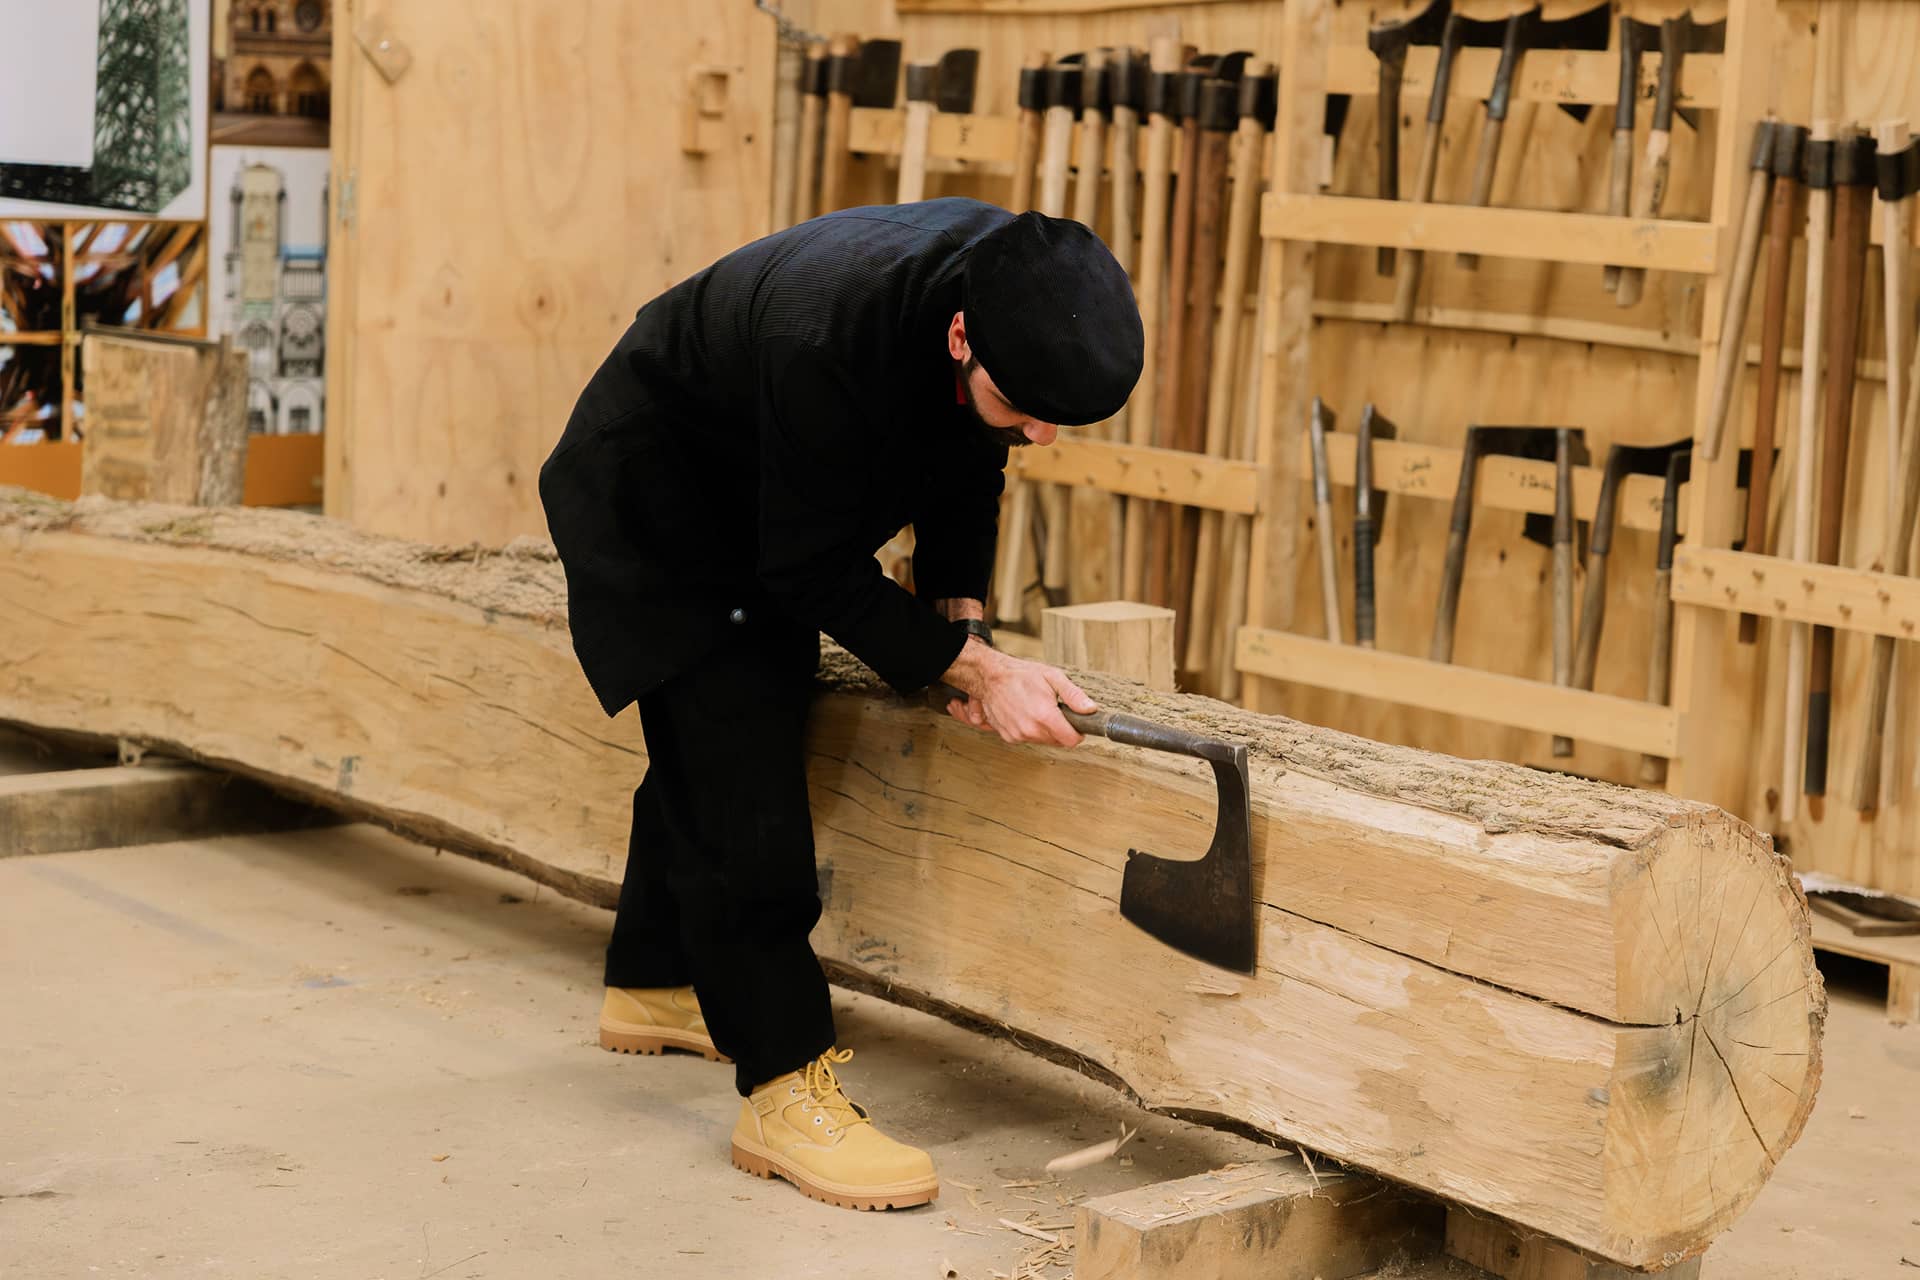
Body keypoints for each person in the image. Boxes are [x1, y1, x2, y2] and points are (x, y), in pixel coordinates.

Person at [538, 198, 1143, 1211]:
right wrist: (970, 669)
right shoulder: (832, 331)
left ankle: (652, 978)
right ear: (961, 335)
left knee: (721, 731)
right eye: (1026, 403)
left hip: (753, 479)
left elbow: (968, 456)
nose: (1041, 431)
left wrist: (962, 618)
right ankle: (780, 1086)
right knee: (738, 729)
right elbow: (809, 566)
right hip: (654, 486)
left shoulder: (1003, 280)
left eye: (1060, 416)